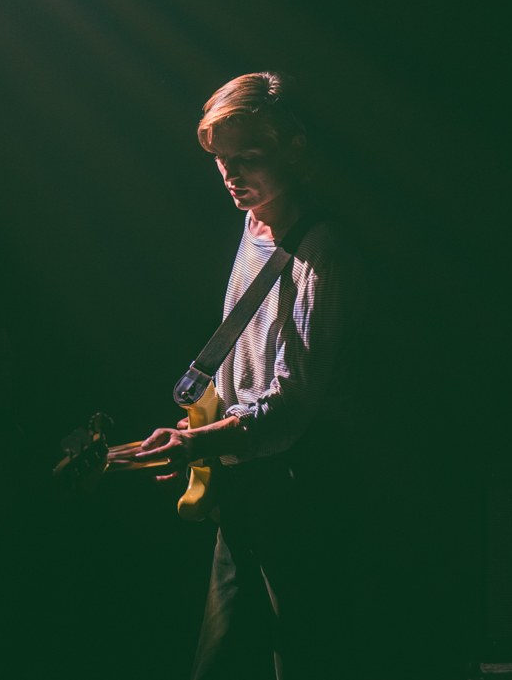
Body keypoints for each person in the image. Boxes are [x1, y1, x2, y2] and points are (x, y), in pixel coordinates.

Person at [136, 71, 362, 680]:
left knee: (304, 655)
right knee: (218, 661)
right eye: (222, 161)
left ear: (296, 146)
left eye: (249, 157)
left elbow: (291, 402)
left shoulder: (324, 247)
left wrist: (198, 441)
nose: (231, 174)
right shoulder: (252, 223)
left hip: (301, 483)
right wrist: (197, 427)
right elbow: (246, 365)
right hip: (246, 477)